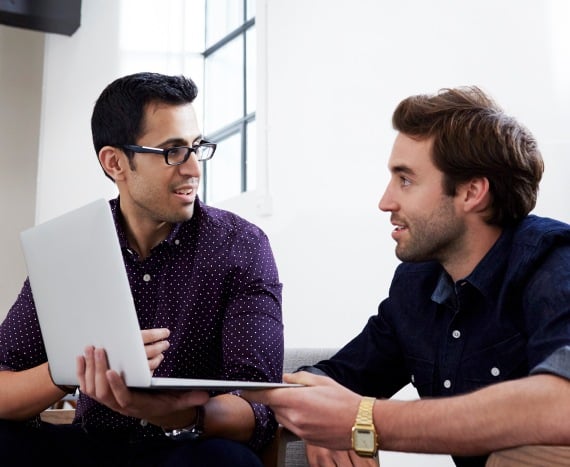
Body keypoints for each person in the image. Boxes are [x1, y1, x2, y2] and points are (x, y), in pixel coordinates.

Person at [243, 86, 570, 467]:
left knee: (530, 452)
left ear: (471, 192)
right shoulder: (417, 285)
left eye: (406, 180)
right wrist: (322, 417)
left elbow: (561, 405)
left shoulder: (553, 262)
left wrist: (366, 420)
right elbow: (342, 375)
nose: (386, 202)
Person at [0, 72, 284, 466]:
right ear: (115, 162)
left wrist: (173, 412)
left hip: (188, 447)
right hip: (92, 446)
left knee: (226, 462)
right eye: (172, 151)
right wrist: (74, 367)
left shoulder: (240, 245)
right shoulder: (71, 250)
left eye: (195, 148)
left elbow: (262, 407)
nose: (193, 170)